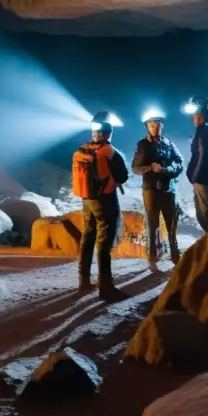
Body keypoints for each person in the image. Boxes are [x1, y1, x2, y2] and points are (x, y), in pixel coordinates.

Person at [76, 111, 129, 301]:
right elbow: (123, 176)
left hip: (86, 200)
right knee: (104, 243)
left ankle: (84, 280)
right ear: (108, 133)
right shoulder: (109, 151)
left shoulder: (82, 150)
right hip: (105, 200)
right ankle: (106, 287)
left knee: (88, 237)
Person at [132, 111, 183, 268]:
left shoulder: (168, 143)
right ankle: (152, 258)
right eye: (152, 124)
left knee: (171, 224)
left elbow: (180, 162)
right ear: (147, 127)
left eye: (158, 124)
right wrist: (150, 167)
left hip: (168, 189)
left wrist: (169, 170)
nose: (155, 127)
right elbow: (135, 168)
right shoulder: (142, 145)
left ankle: (175, 256)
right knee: (152, 225)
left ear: (162, 126)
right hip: (151, 190)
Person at [185, 96, 208, 233]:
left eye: (199, 116)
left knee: (207, 215)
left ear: (206, 116)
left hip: (205, 180)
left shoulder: (207, 132)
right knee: (203, 215)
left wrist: (194, 176)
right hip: (202, 179)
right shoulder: (203, 132)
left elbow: (203, 157)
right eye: (195, 116)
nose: (196, 119)